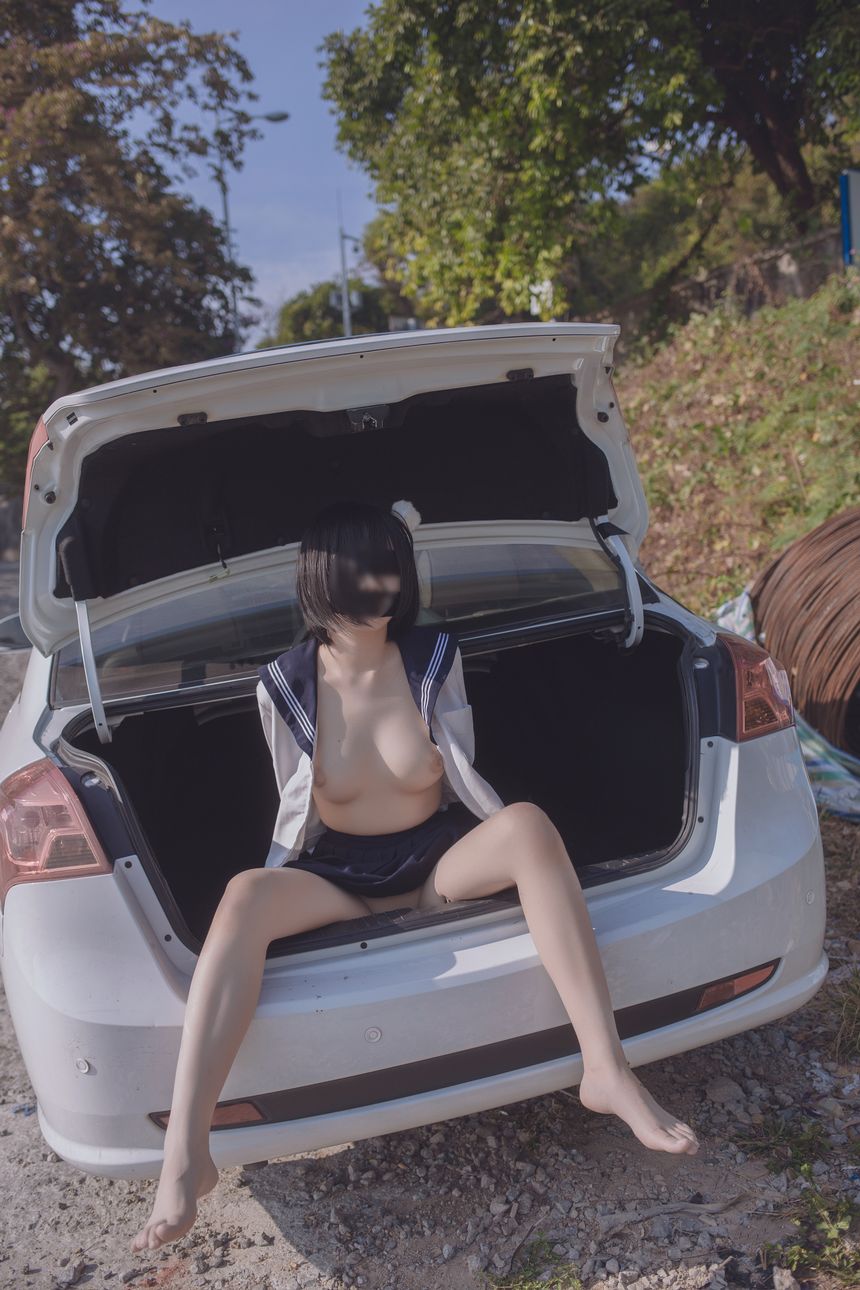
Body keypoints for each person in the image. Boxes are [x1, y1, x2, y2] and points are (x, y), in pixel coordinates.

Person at [131, 498, 699, 1254]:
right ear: (321, 579)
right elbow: (293, 810)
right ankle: (186, 1153)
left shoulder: (434, 657)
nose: (381, 587)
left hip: (435, 858)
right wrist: (274, 879)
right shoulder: (282, 684)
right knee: (242, 897)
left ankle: (607, 1068)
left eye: (392, 569)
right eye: (363, 572)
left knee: (528, 824)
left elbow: (463, 774)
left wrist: (502, 840)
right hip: (340, 876)